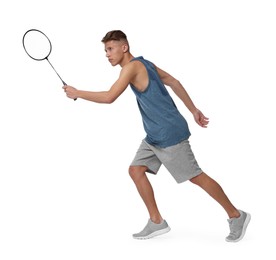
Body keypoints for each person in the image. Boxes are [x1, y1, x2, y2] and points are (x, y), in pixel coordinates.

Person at [63, 30, 251, 242]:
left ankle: (236, 215)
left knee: (196, 176)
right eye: (105, 50)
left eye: (110, 49)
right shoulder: (145, 63)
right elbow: (174, 81)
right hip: (154, 134)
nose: (107, 54)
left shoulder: (131, 67)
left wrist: (77, 93)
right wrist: (193, 110)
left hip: (168, 132)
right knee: (136, 170)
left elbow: (109, 97)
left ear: (124, 47)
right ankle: (157, 221)